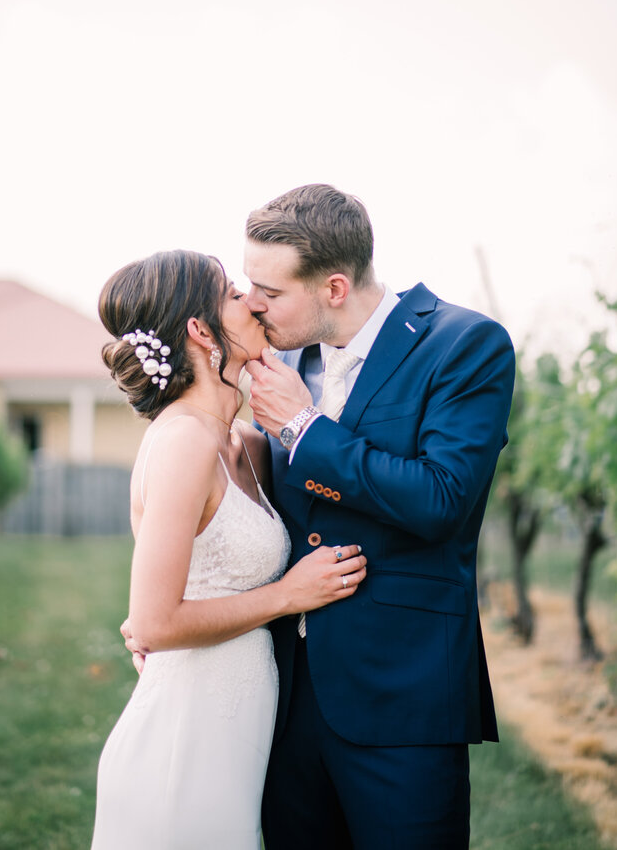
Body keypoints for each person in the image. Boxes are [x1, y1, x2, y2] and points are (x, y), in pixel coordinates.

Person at [243, 184, 516, 850]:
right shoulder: (276, 362)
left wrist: (306, 430)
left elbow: (441, 499)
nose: (251, 303)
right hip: (279, 692)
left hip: (404, 693)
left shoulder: (465, 345)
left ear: (334, 287)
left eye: (270, 292)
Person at [89, 249, 366, 850]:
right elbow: (155, 621)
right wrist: (289, 595)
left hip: (240, 739)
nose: (255, 301)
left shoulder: (246, 443)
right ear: (198, 329)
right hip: (182, 741)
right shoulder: (184, 441)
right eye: (235, 295)